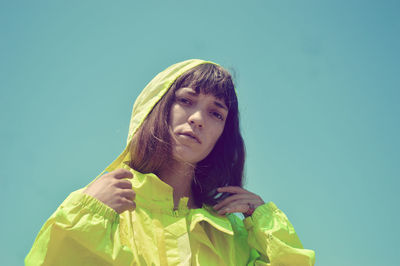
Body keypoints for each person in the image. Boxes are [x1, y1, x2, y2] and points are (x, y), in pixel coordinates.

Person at [25, 59, 315, 265]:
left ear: (222, 136)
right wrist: (85, 220)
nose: (198, 119)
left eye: (216, 113)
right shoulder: (101, 210)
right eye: (186, 100)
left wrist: (265, 222)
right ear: (157, 106)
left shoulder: (231, 234)